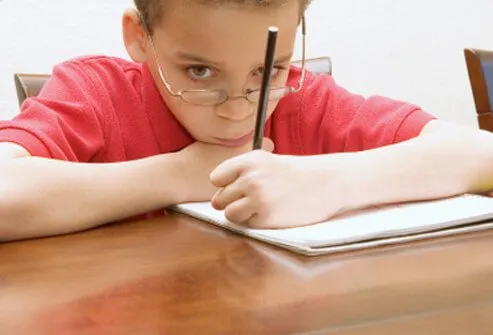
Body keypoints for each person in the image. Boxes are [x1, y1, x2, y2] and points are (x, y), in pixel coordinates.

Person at [1, 0, 492, 242]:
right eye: (199, 71)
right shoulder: (96, 94)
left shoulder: (306, 101)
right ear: (140, 38)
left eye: (267, 70)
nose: (237, 109)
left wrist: (331, 183)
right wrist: (177, 175)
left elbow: (481, 154)